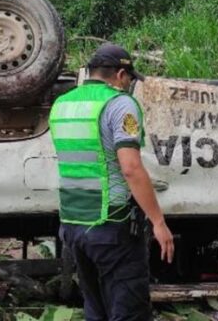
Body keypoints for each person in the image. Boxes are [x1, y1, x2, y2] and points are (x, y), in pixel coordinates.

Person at [49, 43, 174, 321]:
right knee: (129, 311)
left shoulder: (63, 104)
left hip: (73, 224)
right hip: (111, 224)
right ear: (120, 74)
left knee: (96, 308)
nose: (129, 84)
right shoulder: (120, 104)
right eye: (130, 78)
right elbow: (130, 168)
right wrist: (158, 222)